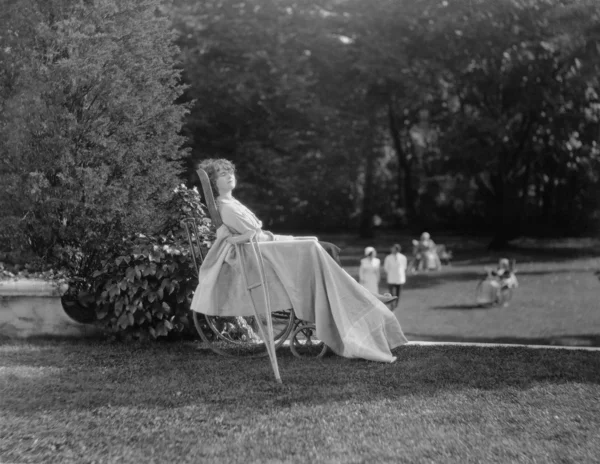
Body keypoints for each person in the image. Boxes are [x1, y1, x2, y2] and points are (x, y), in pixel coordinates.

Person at [190, 159, 408, 363]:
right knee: (312, 246)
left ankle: (360, 293)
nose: (229, 176)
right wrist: (245, 237)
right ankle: (361, 294)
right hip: (261, 253)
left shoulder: (232, 202)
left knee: (313, 243)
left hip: (265, 244)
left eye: (230, 172)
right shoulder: (226, 207)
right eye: (221, 174)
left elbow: (253, 231)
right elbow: (250, 235)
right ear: (213, 181)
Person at [383, 244, 407, 310]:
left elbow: (404, 267)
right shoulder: (388, 257)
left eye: (393, 248)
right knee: (391, 293)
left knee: (398, 292)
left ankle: (396, 304)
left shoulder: (403, 257)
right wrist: (391, 272)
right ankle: (392, 304)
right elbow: (386, 268)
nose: (392, 249)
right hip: (391, 277)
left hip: (399, 278)